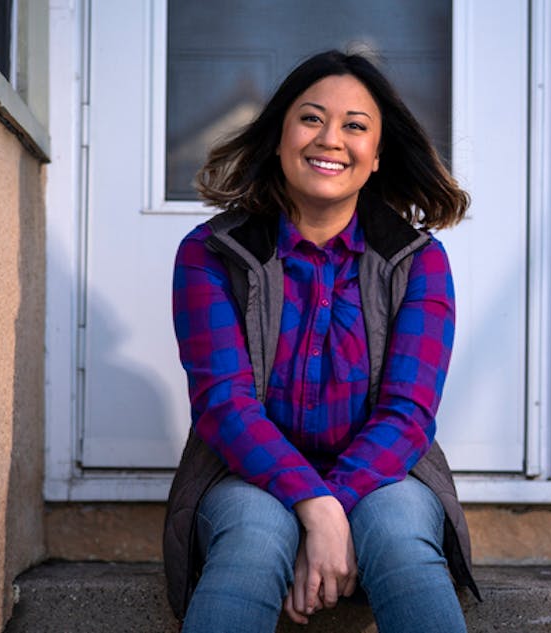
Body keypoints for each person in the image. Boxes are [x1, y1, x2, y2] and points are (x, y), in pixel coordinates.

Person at [163, 50, 479, 633]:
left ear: (377, 156)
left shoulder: (418, 262)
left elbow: (407, 415)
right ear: (280, 136)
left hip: (387, 473)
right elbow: (224, 406)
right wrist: (315, 507)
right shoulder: (211, 255)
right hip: (243, 474)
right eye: (311, 119)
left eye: (355, 126)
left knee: (400, 534)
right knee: (258, 538)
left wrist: (331, 505)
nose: (330, 138)